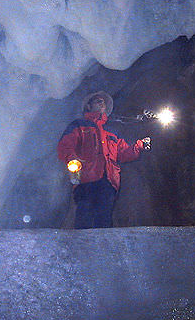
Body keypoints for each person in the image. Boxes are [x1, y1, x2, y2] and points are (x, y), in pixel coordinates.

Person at [57, 91, 150, 228]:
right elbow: (65, 146)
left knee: (104, 218)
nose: (102, 104)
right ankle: (82, 247)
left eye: (104, 102)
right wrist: (73, 160)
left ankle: (102, 248)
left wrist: (139, 145)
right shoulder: (79, 126)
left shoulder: (111, 131)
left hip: (108, 181)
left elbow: (123, 153)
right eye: (98, 101)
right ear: (88, 106)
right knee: (85, 216)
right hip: (85, 180)